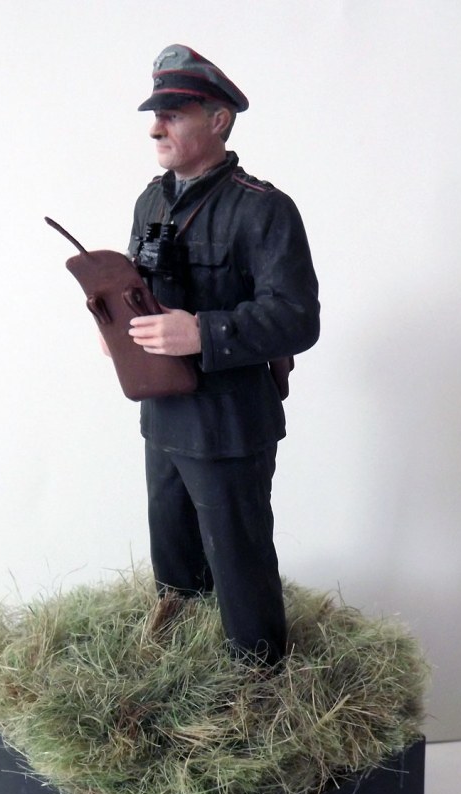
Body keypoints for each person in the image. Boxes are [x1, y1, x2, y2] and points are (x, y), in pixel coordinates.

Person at [125, 44, 320, 666]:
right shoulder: (151, 202)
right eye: (156, 115)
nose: (156, 128)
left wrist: (203, 333)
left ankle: (256, 679)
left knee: (239, 561)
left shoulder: (262, 209)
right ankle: (181, 668)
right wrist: (115, 327)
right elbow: (134, 290)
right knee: (173, 555)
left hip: (229, 423)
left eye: (174, 114)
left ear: (218, 120)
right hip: (163, 414)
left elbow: (298, 318)